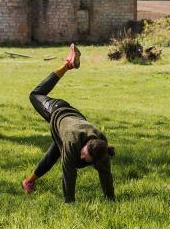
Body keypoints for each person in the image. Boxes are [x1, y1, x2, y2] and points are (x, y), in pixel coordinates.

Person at [22, 44, 115, 202]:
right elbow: (69, 173)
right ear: (86, 145)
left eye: (85, 158)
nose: (81, 156)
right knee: (35, 94)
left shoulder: (101, 145)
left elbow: (105, 173)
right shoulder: (72, 141)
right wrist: (70, 201)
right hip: (58, 111)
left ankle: (29, 181)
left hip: (75, 118)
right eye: (83, 153)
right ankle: (67, 65)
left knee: (55, 152)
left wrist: (110, 198)